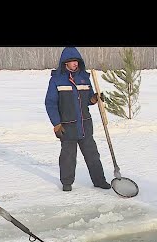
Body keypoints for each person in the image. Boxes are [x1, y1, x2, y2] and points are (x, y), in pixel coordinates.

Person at [45, 47, 111, 192]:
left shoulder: (84, 77)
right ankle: (67, 182)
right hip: (67, 127)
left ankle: (99, 180)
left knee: (93, 155)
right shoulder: (57, 80)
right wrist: (56, 124)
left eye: (76, 61)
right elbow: (50, 103)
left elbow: (88, 99)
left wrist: (94, 99)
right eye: (71, 61)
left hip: (85, 125)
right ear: (65, 63)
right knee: (68, 157)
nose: (75, 64)